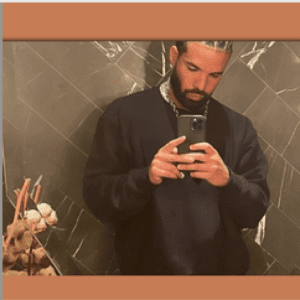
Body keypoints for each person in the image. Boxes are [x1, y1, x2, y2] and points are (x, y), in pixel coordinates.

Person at [83, 41, 270, 275]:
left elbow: (255, 211)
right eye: (192, 69)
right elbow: (97, 199)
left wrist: (228, 181)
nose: (201, 85)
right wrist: (145, 178)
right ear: (173, 56)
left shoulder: (239, 128)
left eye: (214, 75)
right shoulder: (124, 115)